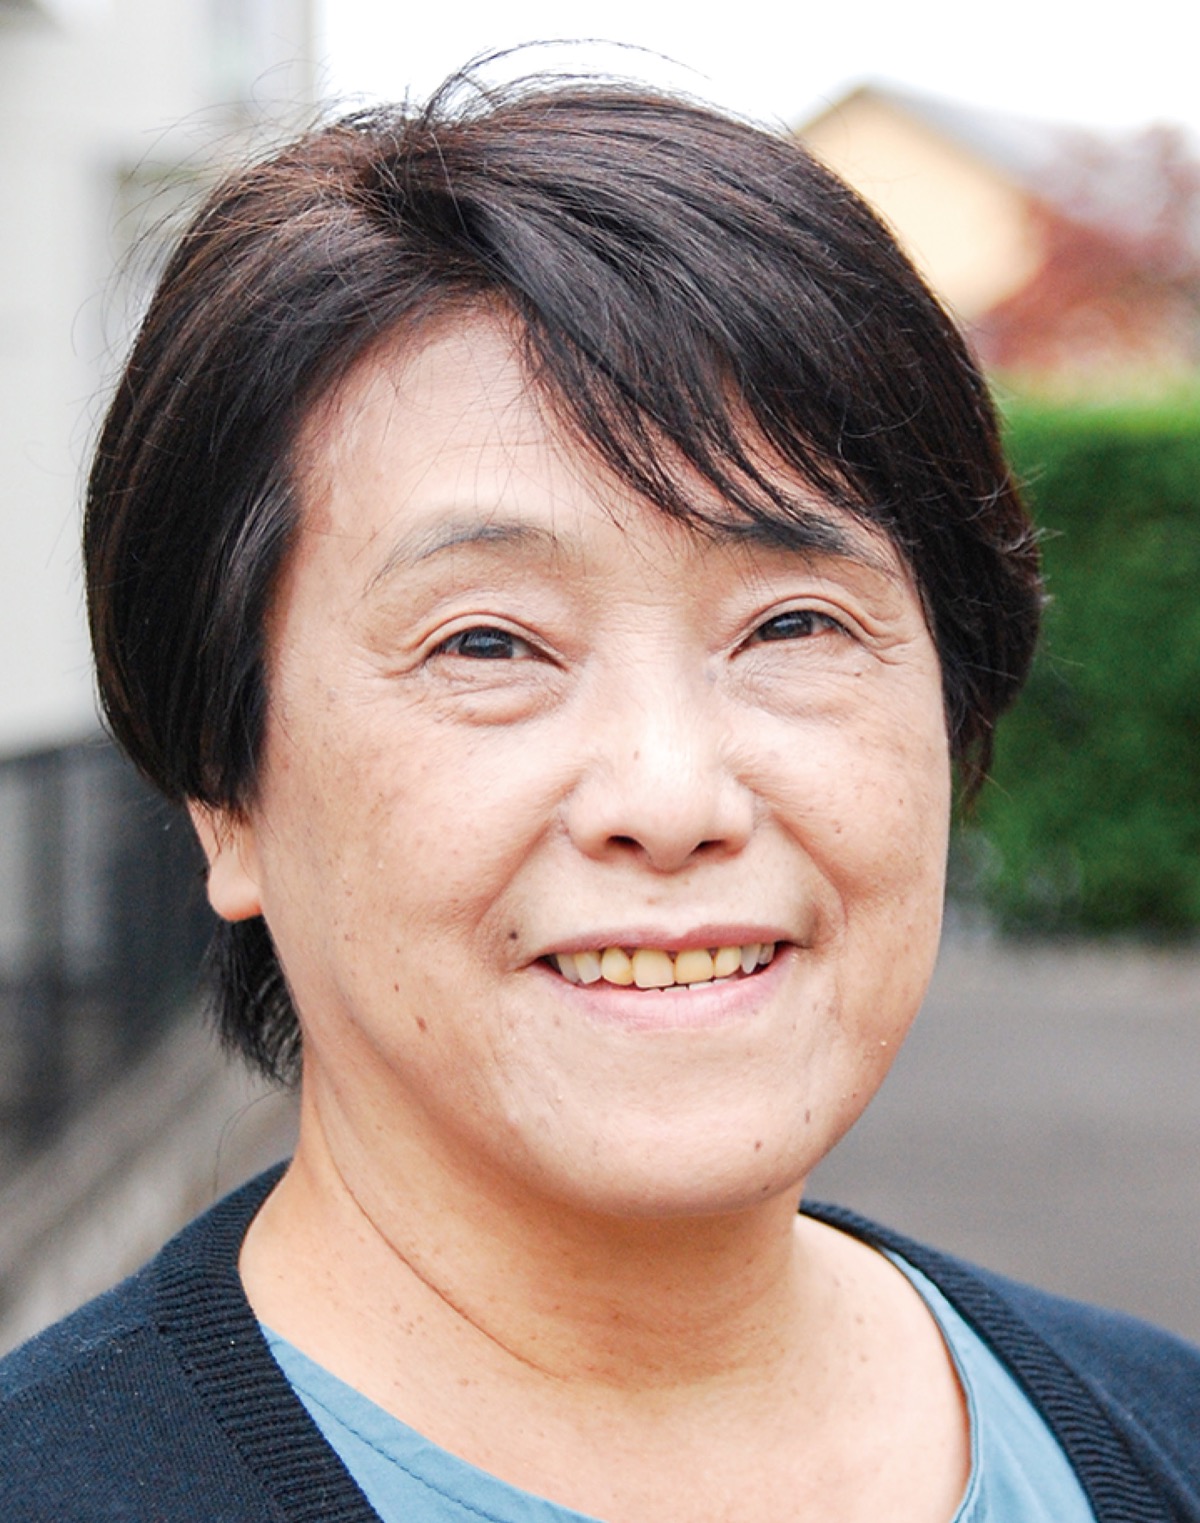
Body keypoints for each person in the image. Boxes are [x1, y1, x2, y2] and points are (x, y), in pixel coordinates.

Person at [3, 71, 1198, 1523]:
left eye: (793, 624)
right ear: (225, 789)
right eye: (487, 644)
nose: (672, 795)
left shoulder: (1162, 1438)